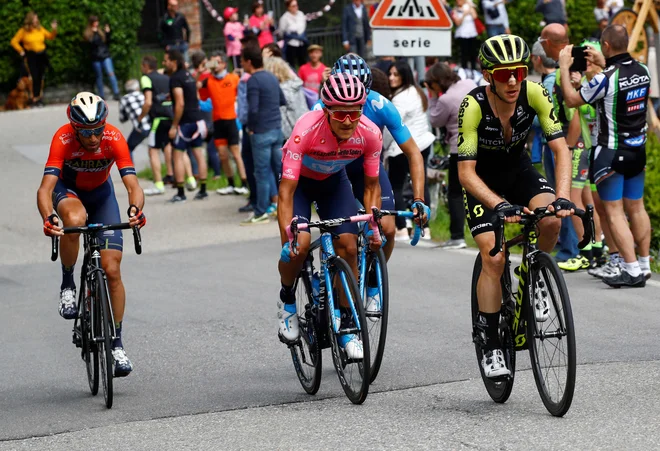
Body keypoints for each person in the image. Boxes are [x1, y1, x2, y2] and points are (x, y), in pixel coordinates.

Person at [458, 35, 574, 378]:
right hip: (482, 183)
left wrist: (563, 196)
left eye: (519, 73)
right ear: (486, 74)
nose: (512, 81)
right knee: (493, 258)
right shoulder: (473, 105)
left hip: (518, 170)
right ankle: (492, 343)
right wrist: (499, 204)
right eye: (503, 73)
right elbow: (465, 173)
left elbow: (561, 149)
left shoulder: (535, 93)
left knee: (552, 220)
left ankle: (535, 277)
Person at [38, 92, 147, 377]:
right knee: (74, 219)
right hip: (69, 192)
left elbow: (132, 183)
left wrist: (135, 209)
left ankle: (117, 344)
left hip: (101, 197)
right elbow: (45, 188)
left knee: (112, 270)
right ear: (75, 128)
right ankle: (67, 285)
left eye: (98, 129)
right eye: (87, 132)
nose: (95, 137)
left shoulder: (113, 137)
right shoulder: (63, 139)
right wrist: (49, 216)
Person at [276, 73, 382, 359]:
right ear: (326, 110)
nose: (348, 120)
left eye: (354, 112)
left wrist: (373, 223)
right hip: (299, 185)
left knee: (349, 244)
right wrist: (289, 235)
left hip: (333, 182)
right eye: (340, 114)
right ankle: (287, 299)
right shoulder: (305, 129)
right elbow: (286, 192)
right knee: (298, 243)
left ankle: (347, 323)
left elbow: (372, 187)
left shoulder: (370, 133)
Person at [558, 25, 652, 287]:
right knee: (637, 207)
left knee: (613, 212)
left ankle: (630, 268)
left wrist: (565, 67)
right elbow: (621, 73)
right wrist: (604, 62)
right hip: (637, 149)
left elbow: (571, 100)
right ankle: (643, 264)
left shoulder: (606, 78)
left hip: (610, 152)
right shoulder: (643, 70)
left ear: (607, 46)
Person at [319, 54, 429, 267]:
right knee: (346, 239)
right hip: (332, 169)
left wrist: (419, 199)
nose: (353, 100)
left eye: (361, 94)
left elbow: (414, 153)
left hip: (365, 167)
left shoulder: (380, 105)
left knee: (387, 229)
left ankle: (372, 284)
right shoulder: (322, 108)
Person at [561, 39, 607, 272]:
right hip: (593, 151)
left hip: (584, 149)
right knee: (592, 203)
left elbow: (577, 121)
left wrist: (567, 152)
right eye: (583, 59)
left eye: (589, 59)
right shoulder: (590, 84)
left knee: (573, 200)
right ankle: (596, 249)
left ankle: (588, 250)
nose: (585, 64)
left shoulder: (601, 84)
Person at [539, 24, 581, 265]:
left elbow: (575, 108)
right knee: (573, 193)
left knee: (563, 194)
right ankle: (580, 248)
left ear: (547, 43)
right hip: (570, 140)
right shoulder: (565, 68)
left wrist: (570, 145)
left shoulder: (561, 72)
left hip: (566, 140)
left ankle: (572, 249)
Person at [426, 62, 478, 249]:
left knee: (456, 193)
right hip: (482, 144)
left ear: (436, 83)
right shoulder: (469, 83)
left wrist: (432, 97)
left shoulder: (445, 99)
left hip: (460, 149)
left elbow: (435, 119)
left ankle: (457, 236)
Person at [385, 61, 435, 240]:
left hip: (403, 148)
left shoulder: (399, 98)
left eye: (396, 74)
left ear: (404, 76)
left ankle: (401, 227)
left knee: (394, 187)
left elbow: (392, 126)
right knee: (420, 186)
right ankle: (424, 228)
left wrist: (383, 147)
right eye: (390, 74)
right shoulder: (417, 92)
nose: (391, 78)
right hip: (424, 142)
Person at [242, 46, 286, 225]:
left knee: (261, 173)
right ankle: (284, 208)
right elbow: (282, 100)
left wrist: (251, 127)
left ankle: (260, 212)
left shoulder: (253, 80)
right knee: (280, 172)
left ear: (249, 62)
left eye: (243, 61)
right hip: (277, 129)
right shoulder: (271, 77)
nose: (242, 64)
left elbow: (252, 109)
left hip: (261, 132)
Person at [200, 51, 249, 196]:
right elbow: (196, 87)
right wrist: (202, 71)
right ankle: (231, 183)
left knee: (235, 153)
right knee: (222, 155)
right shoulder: (208, 80)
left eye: (217, 62)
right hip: (217, 121)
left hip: (231, 120)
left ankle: (244, 183)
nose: (215, 65)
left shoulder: (233, 78)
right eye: (212, 62)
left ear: (223, 63)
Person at [163, 49, 208, 203]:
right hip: (198, 120)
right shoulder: (188, 75)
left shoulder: (175, 78)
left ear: (174, 62)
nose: (164, 63)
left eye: (166, 60)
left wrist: (174, 125)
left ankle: (181, 192)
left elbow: (180, 102)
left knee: (178, 155)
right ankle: (203, 189)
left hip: (185, 122)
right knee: (198, 154)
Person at [137, 55, 176, 196]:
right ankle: (173, 175)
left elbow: (148, 102)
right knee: (168, 146)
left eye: (142, 66)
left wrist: (140, 117)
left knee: (153, 150)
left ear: (146, 66)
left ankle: (158, 184)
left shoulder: (146, 78)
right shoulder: (166, 77)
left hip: (158, 118)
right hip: (170, 115)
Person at [10, 11, 57, 107]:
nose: (37, 20)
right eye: (35, 19)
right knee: (33, 77)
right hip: (31, 56)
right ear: (30, 20)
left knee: (41, 77)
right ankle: (33, 98)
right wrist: (21, 51)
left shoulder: (40, 29)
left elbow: (50, 37)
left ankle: (39, 98)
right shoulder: (23, 31)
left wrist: (54, 30)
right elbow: (14, 41)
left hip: (42, 55)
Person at [265, 56, 310, 140]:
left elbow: (288, 111)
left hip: (290, 134)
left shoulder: (281, 90)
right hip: (305, 126)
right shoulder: (295, 84)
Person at [83, 16, 120, 101]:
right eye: (95, 21)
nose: (97, 23)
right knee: (99, 76)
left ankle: (116, 92)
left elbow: (107, 42)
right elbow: (91, 44)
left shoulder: (100, 31)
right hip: (95, 57)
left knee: (111, 73)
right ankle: (101, 95)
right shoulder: (88, 33)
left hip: (105, 55)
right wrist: (94, 33)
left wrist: (107, 33)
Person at [118, 79, 151, 155]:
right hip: (151, 125)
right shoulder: (143, 95)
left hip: (140, 128)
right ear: (137, 88)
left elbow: (122, 119)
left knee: (127, 148)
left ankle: (129, 166)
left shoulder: (124, 99)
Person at [451, 0, 479, 76]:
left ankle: (474, 70)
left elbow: (475, 16)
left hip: (471, 33)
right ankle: (464, 70)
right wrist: (464, 14)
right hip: (462, 34)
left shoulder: (468, 7)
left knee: (473, 52)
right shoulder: (455, 10)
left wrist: (470, 6)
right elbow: (457, 22)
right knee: (464, 53)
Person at [278, 0, 308, 68]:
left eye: (296, 5)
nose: (296, 7)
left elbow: (303, 26)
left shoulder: (301, 14)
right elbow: (281, 32)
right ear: (288, 7)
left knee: (303, 64)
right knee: (291, 65)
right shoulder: (284, 18)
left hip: (302, 43)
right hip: (291, 44)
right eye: (293, 6)